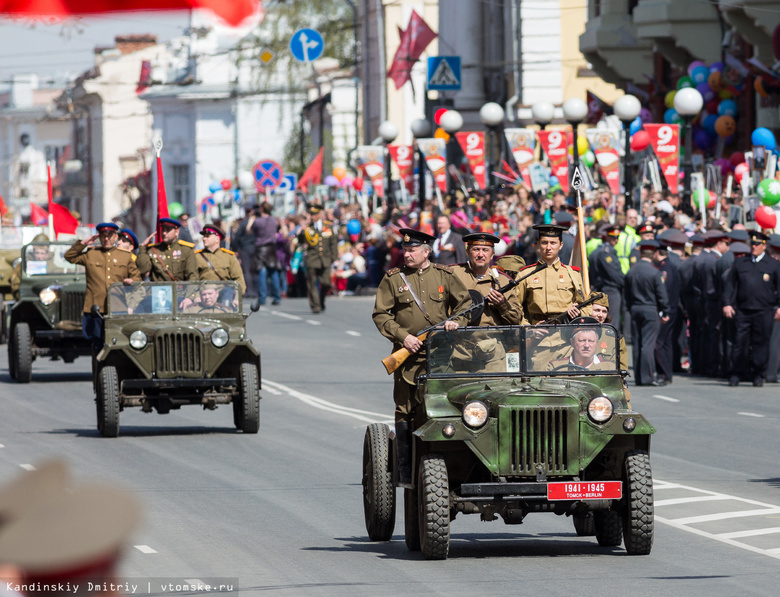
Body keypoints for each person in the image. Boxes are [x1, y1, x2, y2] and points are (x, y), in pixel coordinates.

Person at [372, 228, 471, 485]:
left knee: (444, 406)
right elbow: (381, 314)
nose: (407, 254)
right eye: (405, 250)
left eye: (412, 250)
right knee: (405, 410)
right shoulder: (394, 279)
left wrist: (455, 323)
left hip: (441, 355)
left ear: (426, 252)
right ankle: (405, 469)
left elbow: (465, 306)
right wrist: (403, 336)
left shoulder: (444, 275)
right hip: (406, 357)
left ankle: (449, 467)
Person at [64, 222, 141, 350]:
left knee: (119, 343)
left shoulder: (125, 256)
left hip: (118, 306)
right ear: (98, 237)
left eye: (110, 235)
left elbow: (137, 278)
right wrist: (84, 243)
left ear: (115, 237)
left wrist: (131, 280)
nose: (106, 238)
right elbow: (69, 257)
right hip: (96, 308)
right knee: (97, 344)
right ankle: (99, 369)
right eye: (103, 235)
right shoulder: (91, 253)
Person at [722, 230, 780, 387]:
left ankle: (757, 373)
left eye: (757, 244)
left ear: (764, 245)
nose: (753, 247)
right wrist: (727, 303)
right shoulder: (741, 263)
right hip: (743, 309)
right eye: (752, 244)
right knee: (739, 342)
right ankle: (736, 373)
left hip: (764, 310)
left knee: (761, 343)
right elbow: (730, 285)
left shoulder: (773, 265)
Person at [515, 224, 589, 325]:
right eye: (544, 243)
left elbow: (586, 306)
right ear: (538, 244)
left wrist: (578, 312)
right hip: (537, 332)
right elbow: (515, 307)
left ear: (561, 245)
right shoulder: (526, 274)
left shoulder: (572, 274)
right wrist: (528, 328)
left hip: (565, 332)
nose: (548, 247)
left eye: (553, 243)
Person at [450, 232, 522, 326]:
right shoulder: (453, 274)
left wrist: (502, 304)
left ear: (492, 254)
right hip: (458, 337)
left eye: (485, 250)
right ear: (468, 252)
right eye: (476, 249)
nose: (480, 254)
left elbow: (516, 320)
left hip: (492, 338)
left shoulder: (503, 281)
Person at [624, 239, 669, 386]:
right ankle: (648, 377)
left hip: (635, 308)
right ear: (653, 254)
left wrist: (630, 307)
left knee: (637, 344)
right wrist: (665, 310)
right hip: (650, 308)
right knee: (648, 344)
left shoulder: (631, 271)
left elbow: (627, 294)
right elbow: (661, 295)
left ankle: (639, 376)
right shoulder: (655, 272)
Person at [299, 202, 338, 314]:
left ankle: (321, 300)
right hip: (312, 259)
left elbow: (333, 243)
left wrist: (335, 258)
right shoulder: (308, 228)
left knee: (327, 283)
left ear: (320, 214)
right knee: (312, 283)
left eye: (315, 214)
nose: (312, 216)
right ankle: (315, 306)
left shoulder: (328, 226)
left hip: (325, 259)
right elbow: (301, 242)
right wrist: (302, 231)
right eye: (311, 214)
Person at [654, 236, 681, 384]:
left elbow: (664, 292)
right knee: (667, 343)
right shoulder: (671, 266)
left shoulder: (665, 269)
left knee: (660, 343)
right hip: (672, 309)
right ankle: (667, 373)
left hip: (667, 310)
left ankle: (663, 373)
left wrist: (663, 311)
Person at [588, 225, 625, 333]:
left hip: (601, 288)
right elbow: (614, 274)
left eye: (617, 237)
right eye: (613, 237)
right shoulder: (606, 252)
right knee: (610, 322)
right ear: (606, 237)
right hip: (610, 289)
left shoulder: (598, 250)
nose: (616, 240)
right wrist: (625, 283)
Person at [137, 218, 197, 282]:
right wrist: (143, 248)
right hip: (158, 291)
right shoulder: (153, 250)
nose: (164, 233)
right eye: (163, 230)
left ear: (177, 232)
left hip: (180, 291)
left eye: (168, 230)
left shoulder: (186, 250)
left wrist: (189, 292)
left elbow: (192, 276)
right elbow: (142, 270)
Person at [195, 224, 246, 296]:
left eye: (207, 236)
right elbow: (191, 281)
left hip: (223, 296)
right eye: (204, 236)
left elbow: (239, 280)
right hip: (203, 296)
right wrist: (195, 297)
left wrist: (236, 298)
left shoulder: (229, 256)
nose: (204, 239)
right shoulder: (196, 256)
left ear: (217, 239)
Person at [547, 318, 615, 371]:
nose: (586, 345)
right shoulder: (556, 367)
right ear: (572, 342)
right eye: (582, 340)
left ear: (597, 343)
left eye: (591, 341)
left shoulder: (609, 368)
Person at [252, 202, 281, 306]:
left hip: (261, 248)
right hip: (271, 247)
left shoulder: (257, 221)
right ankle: (277, 297)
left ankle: (262, 298)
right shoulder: (273, 220)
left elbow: (251, 231)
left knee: (262, 272)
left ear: (262, 209)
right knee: (273, 271)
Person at [231, 203, 258, 298]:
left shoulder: (242, 223)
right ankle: (255, 291)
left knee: (247, 271)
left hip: (245, 248)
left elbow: (236, 238)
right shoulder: (256, 222)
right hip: (255, 248)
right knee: (254, 270)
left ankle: (249, 291)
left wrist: (234, 249)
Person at [10, 233, 49, 299]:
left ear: (47, 253)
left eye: (42, 253)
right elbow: (15, 283)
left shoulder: (54, 263)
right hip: (29, 297)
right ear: (33, 250)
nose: (39, 256)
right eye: (37, 252)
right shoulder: (25, 263)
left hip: (50, 297)